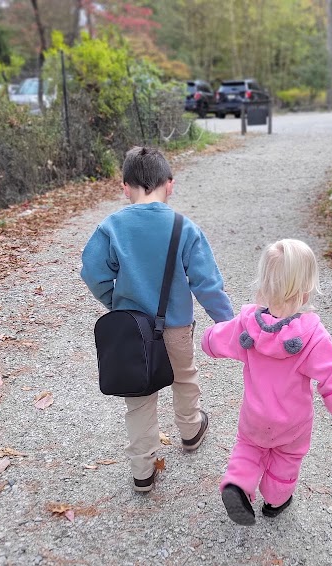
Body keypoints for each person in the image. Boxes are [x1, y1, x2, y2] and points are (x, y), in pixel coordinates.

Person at [81, 146, 234, 493]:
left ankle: (143, 471)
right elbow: (207, 284)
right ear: (170, 185)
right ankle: (191, 430)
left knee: (139, 397)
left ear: (125, 187)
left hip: (132, 329)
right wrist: (228, 323)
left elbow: (92, 273)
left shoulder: (112, 227)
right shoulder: (184, 228)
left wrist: (114, 301)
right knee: (184, 378)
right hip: (176, 327)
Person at [201, 238, 332, 525]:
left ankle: (237, 484)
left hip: (254, 417)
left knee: (248, 448)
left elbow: (217, 339)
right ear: (305, 293)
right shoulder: (312, 336)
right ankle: (275, 501)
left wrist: (206, 340)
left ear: (264, 286)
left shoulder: (248, 325)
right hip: (292, 424)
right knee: (287, 458)